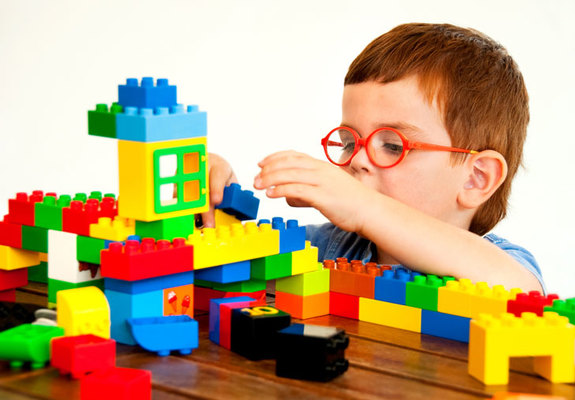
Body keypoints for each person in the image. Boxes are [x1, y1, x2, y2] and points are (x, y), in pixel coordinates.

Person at [201, 23, 544, 293]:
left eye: (393, 145)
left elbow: (519, 290)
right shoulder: (327, 247)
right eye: (350, 141)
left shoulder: (503, 264)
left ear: (476, 178)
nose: (357, 160)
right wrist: (200, 208)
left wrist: (365, 207)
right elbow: (225, 265)